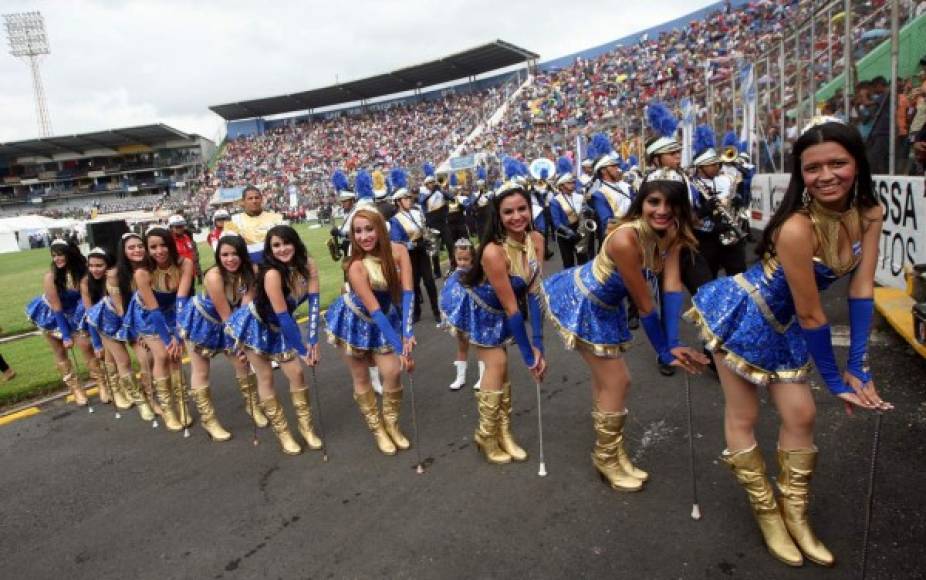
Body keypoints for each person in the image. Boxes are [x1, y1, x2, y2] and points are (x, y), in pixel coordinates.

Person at [686, 118, 893, 568]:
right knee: (745, 414)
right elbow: (811, 313)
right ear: (801, 174)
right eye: (812, 168)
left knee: (801, 413)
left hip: (790, 324)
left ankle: (796, 516)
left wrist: (860, 366)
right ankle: (768, 514)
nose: (826, 176)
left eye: (837, 163)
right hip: (744, 315)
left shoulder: (871, 213)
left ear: (857, 163)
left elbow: (861, 289)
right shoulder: (796, 228)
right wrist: (836, 379)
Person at [545, 169, 708, 491]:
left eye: (671, 203)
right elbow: (645, 304)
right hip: (586, 303)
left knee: (607, 382)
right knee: (619, 380)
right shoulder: (625, 238)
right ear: (641, 203)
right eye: (654, 201)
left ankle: (612, 453)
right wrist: (664, 350)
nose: (662, 210)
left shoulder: (672, 231)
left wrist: (673, 341)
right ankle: (606, 457)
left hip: (610, 306)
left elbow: (672, 287)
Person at [441, 180, 546, 465]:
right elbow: (512, 308)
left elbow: (535, 293)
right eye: (508, 212)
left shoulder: (536, 240)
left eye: (522, 209)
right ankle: (486, 434)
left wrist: (538, 345)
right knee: (496, 365)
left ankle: (504, 431)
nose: (517, 217)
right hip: (482, 306)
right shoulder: (492, 251)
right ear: (498, 216)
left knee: (503, 371)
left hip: (504, 308)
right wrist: (529, 358)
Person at [325, 208, 416, 456]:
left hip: (384, 317)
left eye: (369, 229)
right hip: (354, 320)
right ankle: (377, 429)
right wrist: (400, 348)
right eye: (358, 231)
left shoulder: (399, 251)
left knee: (392, 372)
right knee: (361, 376)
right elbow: (374, 310)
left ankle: (391, 424)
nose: (364, 236)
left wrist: (407, 333)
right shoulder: (355, 266)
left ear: (379, 228)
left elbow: (408, 293)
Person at [226, 225, 323, 455]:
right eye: (276, 245)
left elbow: (315, 304)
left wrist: (313, 340)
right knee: (266, 376)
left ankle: (306, 428)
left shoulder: (308, 265)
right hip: (257, 326)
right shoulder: (272, 274)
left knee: (297, 374)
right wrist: (302, 349)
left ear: (295, 243)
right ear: (270, 250)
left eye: (286, 243)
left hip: (282, 326)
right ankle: (284, 433)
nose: (282, 249)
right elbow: (281, 315)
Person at [178, 233, 265, 441]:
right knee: (201, 370)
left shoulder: (252, 272)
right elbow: (226, 315)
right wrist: (240, 345)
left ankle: (252, 405)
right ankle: (209, 420)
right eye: (224, 254)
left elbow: (244, 310)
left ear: (243, 254)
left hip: (232, 319)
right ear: (218, 256)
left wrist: (243, 345)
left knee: (242, 364)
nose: (230, 259)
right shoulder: (213, 276)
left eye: (235, 253)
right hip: (203, 320)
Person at [123, 227, 195, 433]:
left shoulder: (185, 263)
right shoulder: (142, 272)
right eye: (153, 247)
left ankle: (182, 404)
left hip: (175, 311)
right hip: (148, 314)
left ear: (170, 245)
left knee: (176, 356)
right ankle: (167, 409)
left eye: (163, 245)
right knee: (163, 355)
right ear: (147, 249)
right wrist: (167, 338)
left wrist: (178, 336)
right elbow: (153, 310)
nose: (159, 251)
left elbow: (181, 299)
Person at [87, 233, 155, 421]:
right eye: (131, 247)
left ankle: (151, 396)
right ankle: (140, 401)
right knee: (123, 361)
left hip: (135, 319)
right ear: (123, 251)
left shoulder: (150, 268)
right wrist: (139, 333)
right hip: (111, 320)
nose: (137, 250)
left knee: (146, 358)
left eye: (140, 246)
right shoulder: (114, 274)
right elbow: (120, 310)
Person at [25, 239, 95, 406]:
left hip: (76, 313)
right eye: (54, 256)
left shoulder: (82, 273)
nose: (57, 259)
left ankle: (101, 382)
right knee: (60, 350)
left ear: (69, 254)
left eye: (60, 254)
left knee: (86, 345)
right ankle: (76, 389)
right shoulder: (51, 277)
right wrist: (65, 336)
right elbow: (56, 307)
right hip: (53, 315)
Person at [689, 127, 747, 278]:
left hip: (729, 236)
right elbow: (689, 218)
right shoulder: (691, 186)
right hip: (706, 241)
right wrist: (705, 211)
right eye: (713, 164)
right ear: (700, 167)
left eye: (718, 163)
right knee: (708, 281)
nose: (718, 166)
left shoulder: (724, 180)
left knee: (739, 277)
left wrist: (736, 204)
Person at [388, 168, 440, 326]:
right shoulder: (395, 220)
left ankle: (436, 311)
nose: (409, 200)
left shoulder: (418, 212)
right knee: (414, 283)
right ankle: (416, 312)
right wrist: (414, 244)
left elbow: (424, 227)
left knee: (430, 282)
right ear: (398, 201)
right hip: (409, 255)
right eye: (405, 198)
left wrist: (429, 235)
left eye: (409, 197)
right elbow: (397, 241)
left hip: (422, 251)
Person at [78, 247, 123, 406]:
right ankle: (113, 388)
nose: (94, 269)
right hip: (97, 321)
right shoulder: (85, 282)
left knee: (116, 353)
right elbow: (91, 315)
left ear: (108, 265)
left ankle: (119, 387)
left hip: (117, 316)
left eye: (99, 265)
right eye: (91, 265)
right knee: (107, 352)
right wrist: (96, 344)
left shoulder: (113, 278)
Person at [442, 239, 485, 391]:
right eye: (459, 259)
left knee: (478, 345)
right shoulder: (453, 275)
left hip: (475, 315)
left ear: (472, 257)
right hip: (460, 317)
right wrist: (447, 316)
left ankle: (483, 377)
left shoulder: (477, 273)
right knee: (462, 345)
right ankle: (460, 377)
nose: (462, 263)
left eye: (466, 259)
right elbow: (446, 295)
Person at [549, 156, 592, 268]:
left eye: (573, 182)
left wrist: (588, 210)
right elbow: (556, 222)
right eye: (569, 183)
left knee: (583, 261)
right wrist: (568, 232)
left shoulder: (579, 196)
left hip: (579, 230)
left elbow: (588, 211)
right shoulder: (555, 201)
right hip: (565, 235)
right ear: (562, 186)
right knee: (568, 264)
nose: (573, 184)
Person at [224, 185, 284, 264]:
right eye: (250, 198)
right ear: (243, 201)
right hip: (247, 265)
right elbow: (231, 248)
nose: (254, 201)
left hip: (275, 263)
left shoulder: (277, 218)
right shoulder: (233, 221)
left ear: (261, 200)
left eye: (257, 198)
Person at [420, 163, 454, 277]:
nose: (431, 184)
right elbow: (423, 202)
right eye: (428, 183)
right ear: (425, 185)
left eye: (432, 182)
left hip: (443, 223)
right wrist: (435, 191)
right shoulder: (423, 195)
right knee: (435, 251)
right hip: (432, 225)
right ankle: (437, 272)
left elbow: (451, 198)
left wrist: (441, 190)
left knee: (450, 245)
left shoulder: (440, 192)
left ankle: (454, 266)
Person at [169, 214, 202, 283]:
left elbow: (192, 254)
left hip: (191, 273)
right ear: (171, 227)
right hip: (179, 275)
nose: (180, 228)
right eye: (177, 226)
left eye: (182, 226)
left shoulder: (186, 237)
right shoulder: (169, 241)